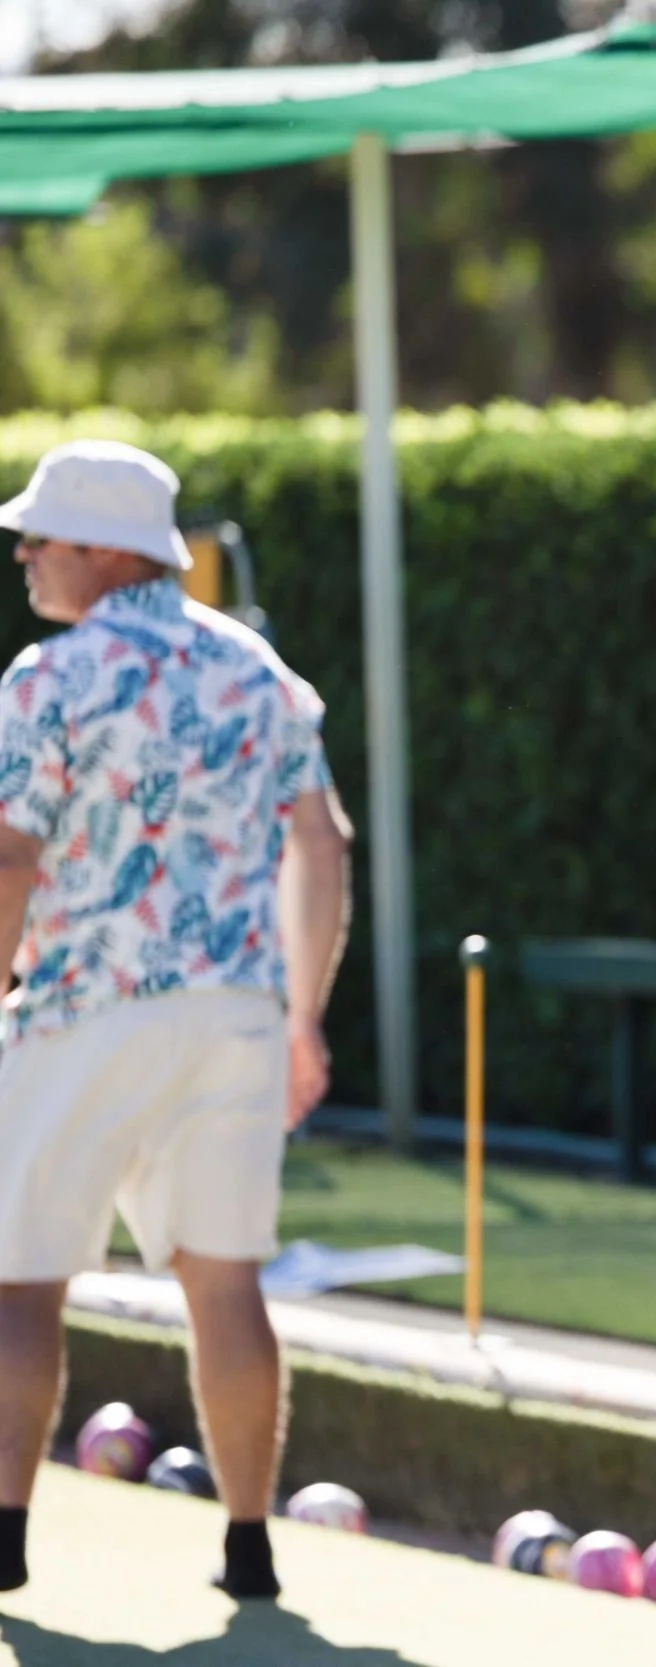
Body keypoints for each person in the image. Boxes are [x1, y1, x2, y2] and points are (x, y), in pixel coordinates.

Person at [0, 440, 352, 1598]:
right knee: (226, 1279)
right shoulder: (260, 670)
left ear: (104, 549)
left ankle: (1, 1540)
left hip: (78, 1007)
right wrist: (303, 1016)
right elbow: (321, 845)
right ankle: (248, 1548)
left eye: (40, 536)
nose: (24, 553)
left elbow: (10, 856)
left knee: (20, 1284)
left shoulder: (45, 678)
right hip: (235, 1014)